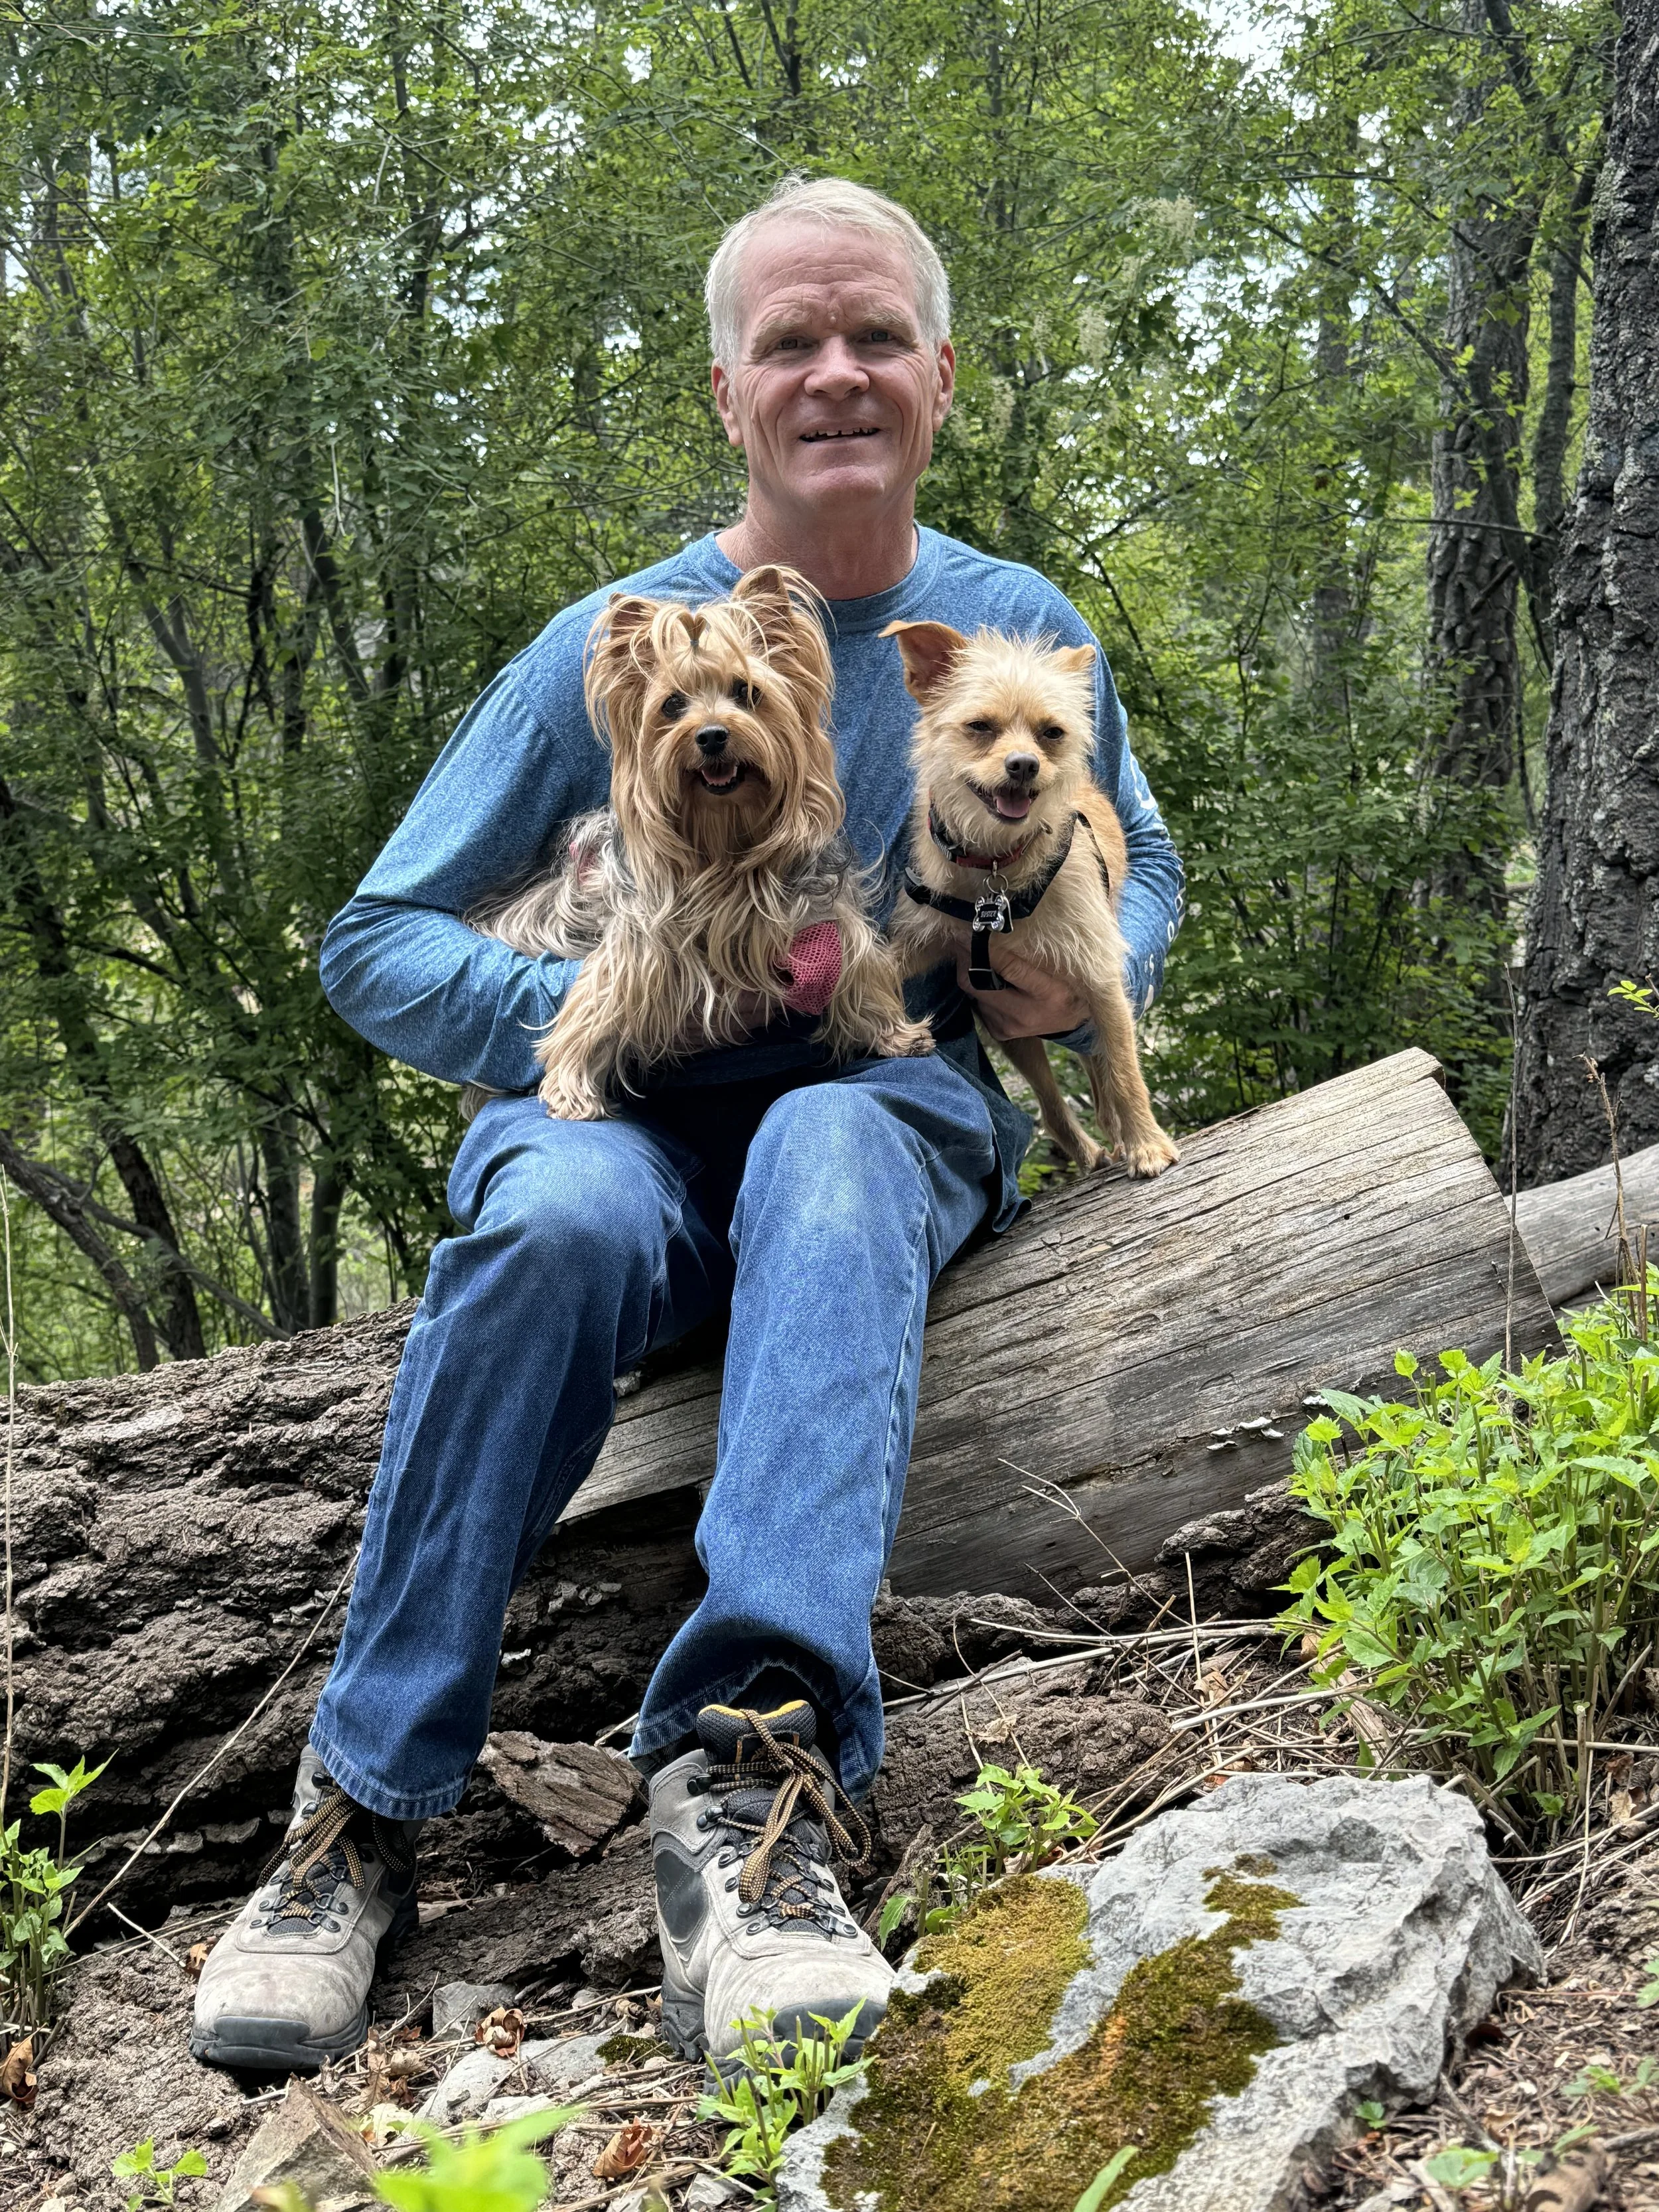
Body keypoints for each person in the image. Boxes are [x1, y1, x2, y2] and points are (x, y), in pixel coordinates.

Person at [191, 175, 1184, 2079]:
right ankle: (357, 1814)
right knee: (556, 1218)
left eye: (873, 335)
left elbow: (1141, 863)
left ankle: (753, 1788)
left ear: (940, 374)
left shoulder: (1017, 627)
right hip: (615, 1114)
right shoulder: (610, 641)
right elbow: (370, 942)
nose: (836, 374)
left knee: (830, 1145)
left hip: (871, 1096)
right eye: (790, 344)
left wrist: (1088, 969)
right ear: (729, 389)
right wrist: (591, 1012)